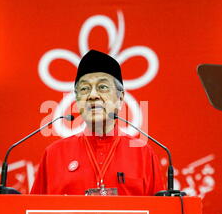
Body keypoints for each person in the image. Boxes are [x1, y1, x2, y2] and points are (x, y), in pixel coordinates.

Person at [30, 50, 166, 196]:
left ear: (120, 99)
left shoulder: (143, 154)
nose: (93, 95)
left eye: (102, 87)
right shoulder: (54, 154)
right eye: (84, 89)